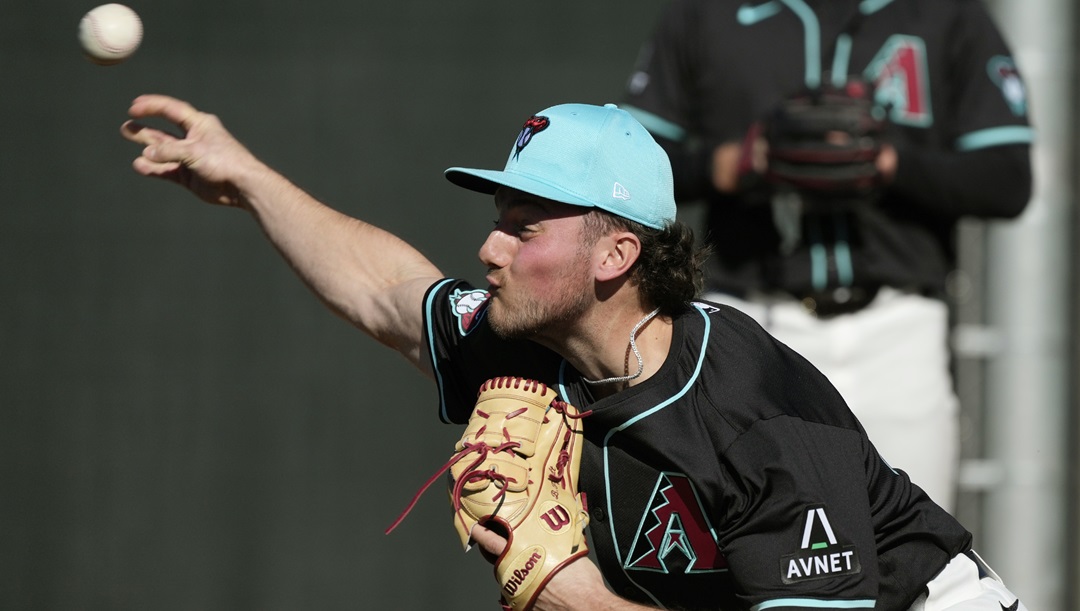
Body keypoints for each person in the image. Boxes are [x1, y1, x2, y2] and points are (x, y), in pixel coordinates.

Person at [121, 94, 1027, 610]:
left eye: (525, 225)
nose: (492, 249)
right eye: (497, 221)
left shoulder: (754, 412)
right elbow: (387, 293)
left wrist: (573, 594)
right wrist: (246, 178)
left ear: (616, 255)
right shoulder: (533, 340)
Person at [620, 0, 1034, 512]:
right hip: (752, 325)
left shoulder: (945, 12)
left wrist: (889, 165)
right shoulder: (707, 14)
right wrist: (726, 165)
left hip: (899, 331)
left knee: (919, 562)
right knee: (747, 560)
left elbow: (1009, 179)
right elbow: (628, 157)